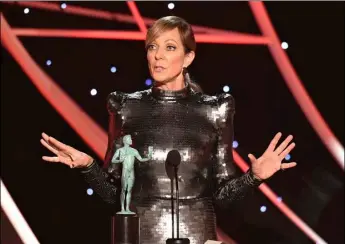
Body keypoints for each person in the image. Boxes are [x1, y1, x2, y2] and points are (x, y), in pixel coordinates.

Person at [40, 16, 297, 244]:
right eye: (152, 47)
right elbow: (115, 195)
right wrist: (87, 166)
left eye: (169, 47)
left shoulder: (215, 110)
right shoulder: (126, 107)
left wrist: (255, 176)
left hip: (196, 238)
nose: (157, 55)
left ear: (188, 57)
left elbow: (221, 196)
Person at [111, 135, 153, 214]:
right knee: (124, 190)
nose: (131, 140)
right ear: (125, 140)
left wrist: (149, 156)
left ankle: (127, 208)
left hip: (131, 172)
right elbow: (113, 160)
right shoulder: (120, 150)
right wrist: (120, 160)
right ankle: (122, 209)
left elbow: (141, 159)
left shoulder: (134, 151)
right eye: (129, 139)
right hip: (125, 171)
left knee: (129, 190)